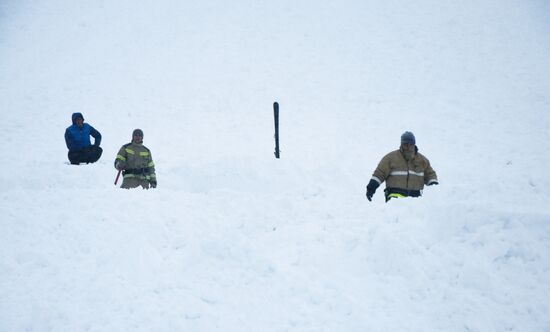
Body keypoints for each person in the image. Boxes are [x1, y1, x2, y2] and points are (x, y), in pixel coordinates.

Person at [366, 131, 438, 202]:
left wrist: (434, 187)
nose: (409, 147)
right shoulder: (390, 158)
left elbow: (430, 175)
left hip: (416, 202)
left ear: (414, 144)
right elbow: (379, 174)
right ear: (401, 144)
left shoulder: (423, 160)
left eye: (411, 144)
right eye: (406, 144)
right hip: (395, 199)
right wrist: (371, 188)